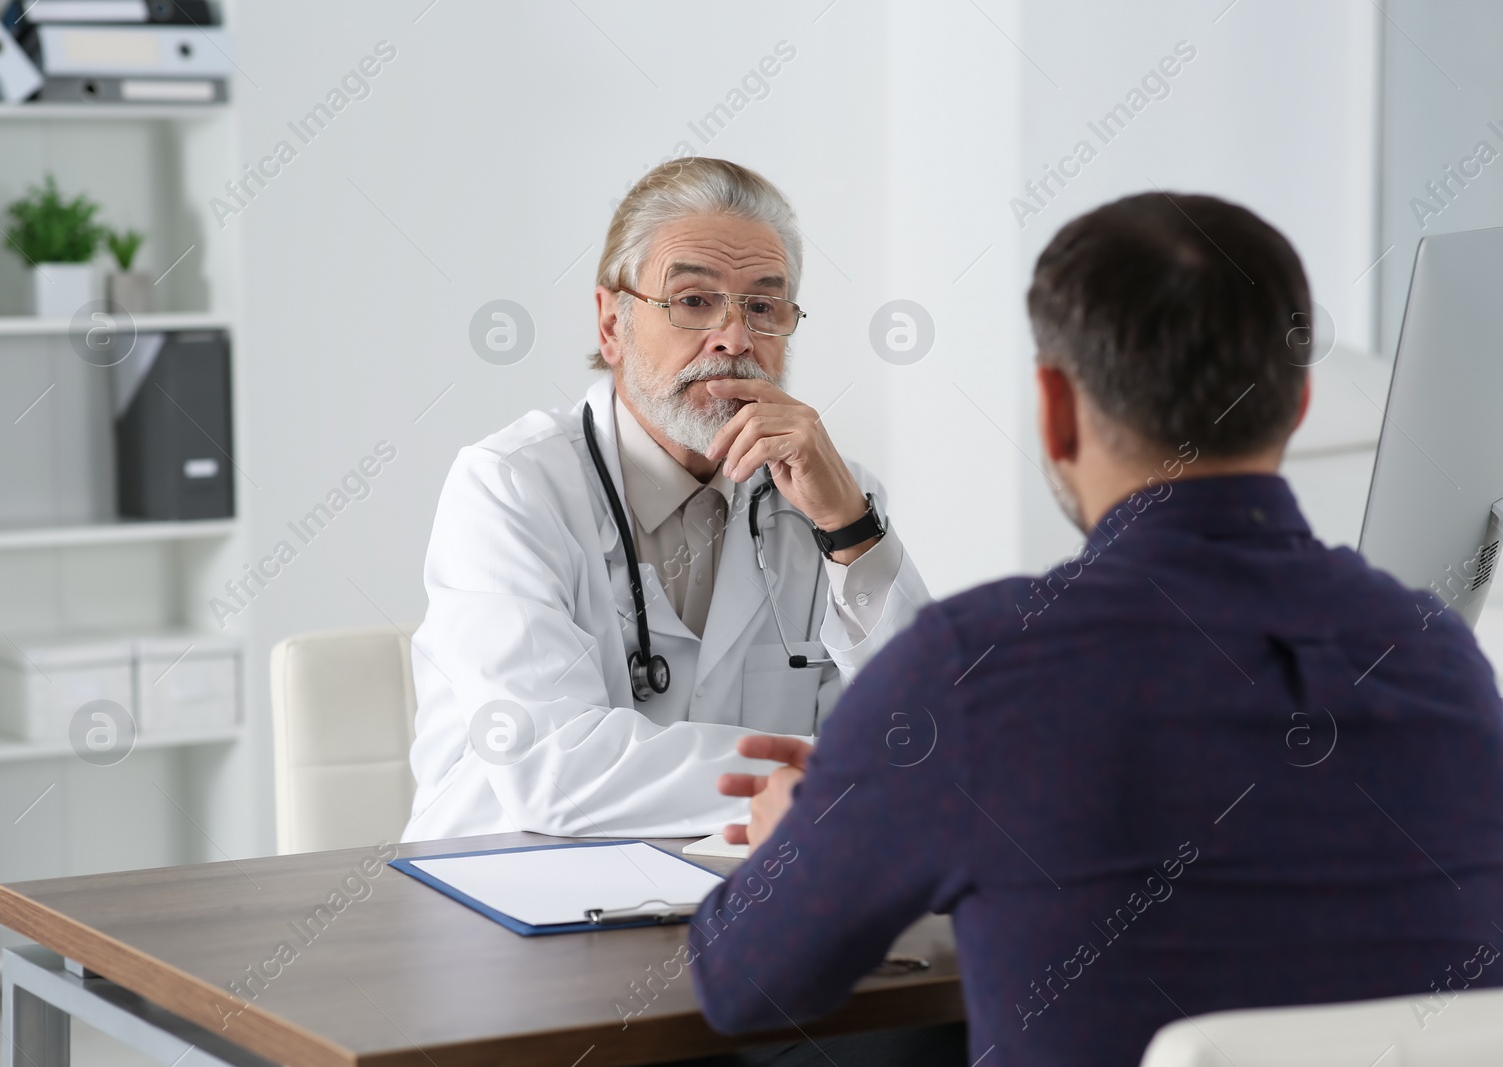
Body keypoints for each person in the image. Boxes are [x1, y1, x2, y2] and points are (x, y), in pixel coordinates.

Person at [685, 192, 1503, 1065]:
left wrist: (799, 838)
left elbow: (745, 986)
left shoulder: (975, 669)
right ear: (1298, 402)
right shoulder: (1438, 655)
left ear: (1056, 407)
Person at [403, 158, 931, 842]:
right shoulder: (511, 488)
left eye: (764, 307)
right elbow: (551, 770)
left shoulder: (829, 495)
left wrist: (850, 529)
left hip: (737, 902)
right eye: (693, 300)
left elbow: (926, 735)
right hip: (508, 903)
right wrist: (828, 782)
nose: (735, 338)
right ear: (611, 325)